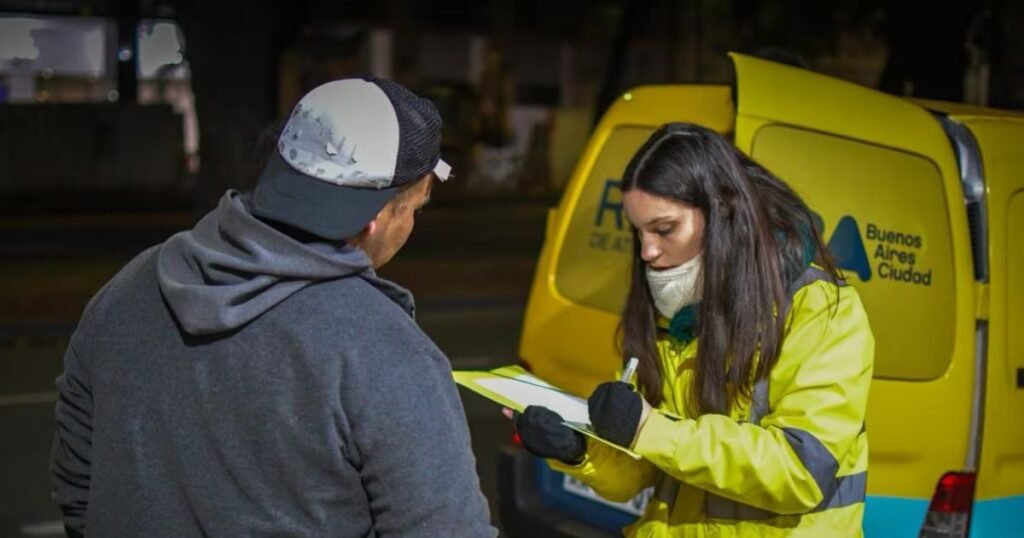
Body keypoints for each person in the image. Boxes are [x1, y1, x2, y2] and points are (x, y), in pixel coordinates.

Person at [50, 78, 497, 538]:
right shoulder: (386, 351)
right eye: (415, 210)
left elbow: (77, 489)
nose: (411, 225)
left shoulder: (126, 291)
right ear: (375, 219)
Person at [510, 123, 874, 536]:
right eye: (638, 232)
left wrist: (649, 428)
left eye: (664, 230)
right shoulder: (674, 308)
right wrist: (578, 450)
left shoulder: (821, 309)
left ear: (723, 215)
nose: (647, 251)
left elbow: (800, 470)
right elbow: (639, 469)